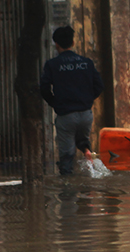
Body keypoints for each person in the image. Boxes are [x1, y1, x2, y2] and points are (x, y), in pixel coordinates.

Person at [40, 26, 104, 175]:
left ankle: (68, 191)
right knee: (82, 139)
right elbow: (99, 86)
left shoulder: (52, 65)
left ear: (56, 44)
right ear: (73, 43)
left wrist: (55, 103)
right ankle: (87, 152)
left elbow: (44, 88)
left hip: (66, 115)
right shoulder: (86, 63)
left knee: (66, 157)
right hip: (86, 114)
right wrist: (86, 100)